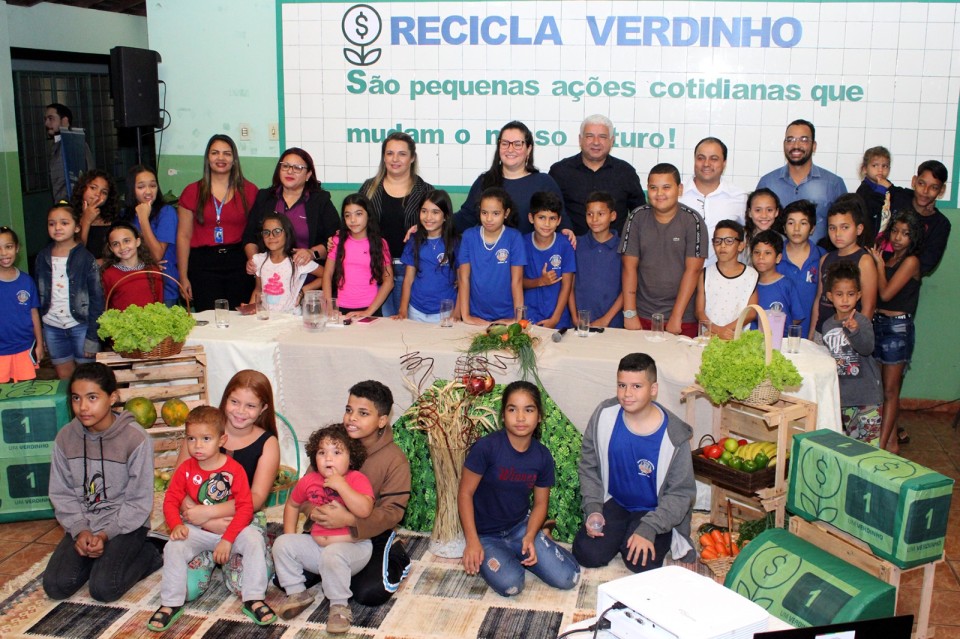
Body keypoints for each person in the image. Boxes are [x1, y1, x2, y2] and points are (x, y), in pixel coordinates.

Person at [150, 406, 275, 631]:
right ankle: (170, 603)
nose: (198, 446)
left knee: (254, 539)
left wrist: (228, 539)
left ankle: (254, 598)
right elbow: (170, 499)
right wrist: (175, 524)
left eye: (206, 438)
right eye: (191, 439)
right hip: (199, 532)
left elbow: (245, 507)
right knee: (173, 546)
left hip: (232, 531)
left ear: (221, 440)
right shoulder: (186, 470)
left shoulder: (234, 470)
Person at [43, 363, 160, 602]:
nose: (83, 407)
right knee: (56, 586)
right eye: (76, 398)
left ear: (113, 398)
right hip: (86, 523)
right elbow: (61, 492)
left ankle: (151, 553)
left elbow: (138, 502)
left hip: (126, 525)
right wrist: (80, 530)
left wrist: (106, 535)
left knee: (104, 589)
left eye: (92, 397)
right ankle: (96, 558)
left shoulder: (136, 439)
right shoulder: (65, 437)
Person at [572, 353, 696, 572]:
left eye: (637, 386)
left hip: (653, 510)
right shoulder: (604, 415)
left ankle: (635, 533)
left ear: (653, 389)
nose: (627, 394)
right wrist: (593, 509)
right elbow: (588, 466)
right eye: (622, 385)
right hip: (614, 501)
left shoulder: (674, 435)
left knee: (641, 562)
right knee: (586, 554)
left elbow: (681, 493)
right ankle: (621, 533)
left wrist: (649, 527)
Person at [458, 381, 580, 596]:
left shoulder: (542, 456)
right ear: (503, 415)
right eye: (512, 409)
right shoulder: (486, 448)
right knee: (512, 585)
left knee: (569, 578)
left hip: (520, 527)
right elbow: (465, 494)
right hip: (486, 534)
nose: (521, 417)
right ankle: (509, 552)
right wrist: (472, 541)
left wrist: (530, 536)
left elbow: (541, 503)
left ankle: (540, 537)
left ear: (539, 416)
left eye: (529, 410)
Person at [299, 380, 412, 607]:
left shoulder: (394, 459)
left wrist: (349, 519)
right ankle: (336, 567)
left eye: (363, 413)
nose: (352, 418)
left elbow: (392, 513)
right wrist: (316, 512)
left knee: (368, 594)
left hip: (370, 533)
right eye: (349, 410)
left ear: (382, 420)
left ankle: (397, 555)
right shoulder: (331, 445)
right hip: (327, 527)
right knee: (288, 578)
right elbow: (305, 490)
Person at [173, 370, 281, 602]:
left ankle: (261, 545)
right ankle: (208, 555)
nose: (240, 411)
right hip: (195, 517)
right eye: (234, 402)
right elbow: (178, 484)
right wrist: (201, 517)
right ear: (224, 400)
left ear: (263, 408)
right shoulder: (201, 432)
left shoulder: (268, 443)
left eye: (250, 406)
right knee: (183, 590)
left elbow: (257, 497)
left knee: (246, 588)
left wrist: (210, 513)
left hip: (242, 519)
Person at [273, 424, 374, 632]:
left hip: (353, 548)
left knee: (333, 554)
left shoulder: (357, 479)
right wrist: (291, 534)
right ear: (314, 457)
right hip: (317, 547)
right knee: (282, 543)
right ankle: (297, 592)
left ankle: (339, 607)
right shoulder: (309, 481)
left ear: (351, 458)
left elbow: (364, 510)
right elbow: (292, 504)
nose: (328, 458)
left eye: (337, 452)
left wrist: (341, 486)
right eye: (322, 452)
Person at [620, 163, 706, 337]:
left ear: (679, 189)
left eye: (666, 187)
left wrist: (676, 316)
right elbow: (629, 268)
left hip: (682, 318)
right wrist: (629, 313)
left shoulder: (693, 221)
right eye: (653, 188)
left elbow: (694, 270)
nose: (659, 194)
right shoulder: (637, 217)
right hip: (642, 314)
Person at [177, 134, 258, 311]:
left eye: (227, 154)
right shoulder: (191, 192)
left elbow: (255, 234)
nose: (221, 158)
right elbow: (183, 236)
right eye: (215, 153)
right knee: (209, 319)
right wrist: (183, 276)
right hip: (203, 265)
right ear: (208, 158)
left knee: (240, 320)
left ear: (234, 159)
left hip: (239, 263)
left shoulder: (250, 191)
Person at [360, 133, 435, 317]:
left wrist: (423, 227)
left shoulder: (426, 191)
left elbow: (443, 227)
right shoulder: (369, 188)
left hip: (411, 271)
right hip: (375, 269)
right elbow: (354, 224)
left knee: (406, 329)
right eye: (390, 153)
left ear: (412, 158)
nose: (395, 159)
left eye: (402, 154)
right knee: (382, 329)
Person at [869, 211, 924, 454]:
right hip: (879, 323)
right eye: (895, 231)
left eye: (905, 234)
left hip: (897, 328)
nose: (898, 237)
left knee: (891, 391)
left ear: (914, 238)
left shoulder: (911, 261)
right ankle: (890, 442)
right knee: (881, 389)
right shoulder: (890, 259)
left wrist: (879, 266)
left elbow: (886, 294)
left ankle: (880, 447)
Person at [456, 121, 568, 236]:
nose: (510, 149)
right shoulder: (484, 181)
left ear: (528, 149)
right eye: (505, 143)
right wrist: (440, 220)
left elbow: (561, 220)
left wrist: (567, 231)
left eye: (517, 144)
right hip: (489, 252)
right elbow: (466, 218)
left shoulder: (544, 183)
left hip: (531, 253)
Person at [243, 148, 339, 282]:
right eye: (285, 166)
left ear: (308, 175)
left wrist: (312, 253)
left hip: (309, 278)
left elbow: (335, 240)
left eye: (297, 168)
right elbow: (250, 236)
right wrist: (255, 263)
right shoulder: (265, 197)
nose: (290, 171)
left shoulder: (320, 201)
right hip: (271, 278)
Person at [35, 203, 103, 380]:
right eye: (52, 223)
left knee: (87, 377)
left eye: (64, 223)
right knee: (65, 378)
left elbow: (97, 298)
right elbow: (39, 294)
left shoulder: (86, 258)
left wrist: (93, 336)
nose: (57, 227)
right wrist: (42, 331)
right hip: (52, 327)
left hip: (81, 326)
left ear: (77, 227)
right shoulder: (42, 257)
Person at [549, 114, 645, 236]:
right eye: (590, 136)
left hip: (616, 251)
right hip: (570, 250)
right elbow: (549, 211)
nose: (596, 142)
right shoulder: (560, 171)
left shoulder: (626, 172)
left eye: (602, 137)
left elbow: (640, 214)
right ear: (580, 139)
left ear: (612, 141)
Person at [756, 119, 848, 244]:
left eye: (804, 140)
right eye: (790, 140)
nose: (796, 145)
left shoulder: (833, 184)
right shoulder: (768, 183)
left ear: (814, 146)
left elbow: (846, 226)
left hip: (820, 261)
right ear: (784, 145)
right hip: (775, 262)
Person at [821, 263, 883, 445]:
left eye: (850, 294)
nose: (845, 300)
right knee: (849, 446)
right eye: (839, 294)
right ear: (830, 297)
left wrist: (855, 331)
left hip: (867, 398)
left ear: (859, 295)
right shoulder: (827, 326)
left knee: (869, 448)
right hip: (843, 398)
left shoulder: (861, 321)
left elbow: (867, 348)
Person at [810, 195, 878, 338]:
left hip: (849, 335)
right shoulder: (825, 259)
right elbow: (819, 299)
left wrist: (856, 334)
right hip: (821, 332)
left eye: (845, 227)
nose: (838, 234)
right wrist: (812, 334)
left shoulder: (864, 260)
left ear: (859, 229)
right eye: (832, 228)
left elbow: (869, 306)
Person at [458, 187, 526, 324]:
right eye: (484, 213)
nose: (489, 219)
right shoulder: (469, 236)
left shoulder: (514, 238)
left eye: (495, 213)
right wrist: (465, 316)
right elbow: (463, 278)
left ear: (506, 213)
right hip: (475, 315)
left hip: (506, 316)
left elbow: (517, 281)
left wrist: (518, 319)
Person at [393, 189, 460, 323]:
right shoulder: (414, 240)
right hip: (415, 310)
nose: (428, 217)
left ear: (446, 216)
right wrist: (403, 309)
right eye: (424, 211)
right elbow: (408, 279)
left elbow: (463, 281)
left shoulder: (455, 243)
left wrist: (457, 312)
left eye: (435, 212)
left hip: (445, 312)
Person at [679, 137, 747, 268]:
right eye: (701, 158)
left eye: (714, 159)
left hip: (721, 280)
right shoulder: (678, 195)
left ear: (724, 163)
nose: (706, 164)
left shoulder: (739, 197)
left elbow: (750, 235)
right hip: (679, 277)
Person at [323, 194, 394, 318]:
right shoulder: (337, 241)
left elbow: (389, 281)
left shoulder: (379, 243)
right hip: (340, 309)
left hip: (370, 309)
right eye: (347, 215)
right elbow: (327, 274)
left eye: (358, 214)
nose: (353, 220)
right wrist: (329, 306)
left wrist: (368, 312)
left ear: (368, 215)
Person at [126, 165, 180, 306]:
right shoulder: (125, 216)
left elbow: (157, 254)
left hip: (164, 286)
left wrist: (143, 219)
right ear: (132, 189)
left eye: (153, 185)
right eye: (141, 186)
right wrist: (146, 264)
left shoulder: (166, 212)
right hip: (134, 284)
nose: (148, 191)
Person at [569, 191, 623, 329]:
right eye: (590, 214)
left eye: (601, 214)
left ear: (613, 216)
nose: (594, 219)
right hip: (581, 323)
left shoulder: (623, 248)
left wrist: (606, 319)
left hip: (613, 323)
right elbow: (569, 284)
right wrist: (575, 317)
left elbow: (628, 289)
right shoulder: (576, 244)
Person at [695, 220, 758, 340]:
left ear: (740, 246)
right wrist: (717, 330)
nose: (722, 246)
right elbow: (699, 311)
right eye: (718, 241)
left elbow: (751, 313)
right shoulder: (705, 274)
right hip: (708, 337)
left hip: (736, 338)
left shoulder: (751, 275)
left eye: (729, 241)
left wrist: (725, 330)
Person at [889, 160, 951, 277]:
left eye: (934, 187)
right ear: (914, 181)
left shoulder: (940, 224)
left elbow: (928, 262)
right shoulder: (898, 198)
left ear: (941, 190)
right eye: (921, 184)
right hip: (876, 270)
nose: (925, 191)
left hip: (906, 284)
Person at [523, 191, 575, 329]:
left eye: (552, 218)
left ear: (559, 221)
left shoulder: (565, 245)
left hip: (559, 319)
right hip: (529, 317)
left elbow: (567, 285)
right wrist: (540, 281)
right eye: (541, 217)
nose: (547, 223)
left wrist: (555, 319)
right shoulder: (522, 243)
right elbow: (517, 281)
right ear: (531, 218)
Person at [251, 213, 322, 313]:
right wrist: (250, 308)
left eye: (277, 231)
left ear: (287, 233)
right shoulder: (259, 260)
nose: (271, 236)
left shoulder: (298, 259)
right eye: (266, 232)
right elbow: (258, 290)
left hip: (291, 318)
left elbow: (325, 276)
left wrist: (303, 291)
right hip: (266, 318)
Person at [0, 227, 43, 382]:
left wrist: (39, 344)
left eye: (8, 247)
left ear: (17, 248)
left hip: (25, 348)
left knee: (25, 393)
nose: (3, 253)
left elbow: (34, 313)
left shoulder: (26, 281)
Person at [777, 200, 825, 339]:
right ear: (784, 228)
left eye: (803, 223)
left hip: (812, 336)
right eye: (791, 223)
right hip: (778, 336)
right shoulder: (773, 257)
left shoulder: (823, 257)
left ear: (812, 229)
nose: (796, 229)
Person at [750, 230, 806, 335]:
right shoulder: (749, 284)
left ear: (778, 258)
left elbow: (797, 317)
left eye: (767, 253)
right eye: (757, 252)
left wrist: (779, 330)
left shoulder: (786, 284)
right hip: (754, 343)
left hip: (781, 343)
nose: (761, 257)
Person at [101, 222, 163, 310]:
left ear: (137, 242)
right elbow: (106, 303)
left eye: (126, 241)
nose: (122, 247)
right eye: (116, 244)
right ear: (111, 248)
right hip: (122, 322)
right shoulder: (108, 274)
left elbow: (159, 301)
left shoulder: (153, 270)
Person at [44, 103, 94, 203]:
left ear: (65, 121)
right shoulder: (56, 145)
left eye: (51, 119)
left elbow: (89, 175)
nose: (46, 123)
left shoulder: (75, 143)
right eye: (45, 119)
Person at [71, 169, 122, 262]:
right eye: (93, 188)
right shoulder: (69, 218)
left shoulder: (115, 221)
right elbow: (74, 255)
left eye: (104, 192)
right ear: (83, 188)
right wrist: (86, 220)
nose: (97, 194)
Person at [855, 146, 894, 241]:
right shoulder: (863, 190)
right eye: (875, 165)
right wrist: (880, 190)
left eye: (884, 166)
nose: (880, 170)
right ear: (864, 169)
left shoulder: (889, 186)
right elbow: (870, 210)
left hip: (887, 239)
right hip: (869, 239)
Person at [743, 188, 783, 260]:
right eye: (758, 210)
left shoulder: (783, 240)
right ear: (749, 212)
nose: (764, 215)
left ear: (776, 212)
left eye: (769, 210)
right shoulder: (740, 238)